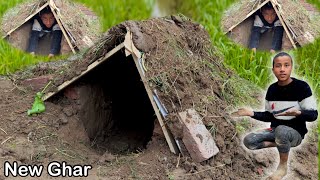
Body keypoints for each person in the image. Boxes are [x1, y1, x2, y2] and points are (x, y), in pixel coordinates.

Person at [233, 52, 318, 180]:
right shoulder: (272, 90)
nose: (282, 69)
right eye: (278, 66)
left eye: (286, 65)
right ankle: (282, 143)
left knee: (281, 130)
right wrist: (251, 113)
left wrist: (299, 113)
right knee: (249, 141)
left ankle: (282, 167)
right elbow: (269, 116)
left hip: (295, 133)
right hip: (276, 131)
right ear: (273, 70)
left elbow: (313, 115)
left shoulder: (302, 87)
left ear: (291, 67)